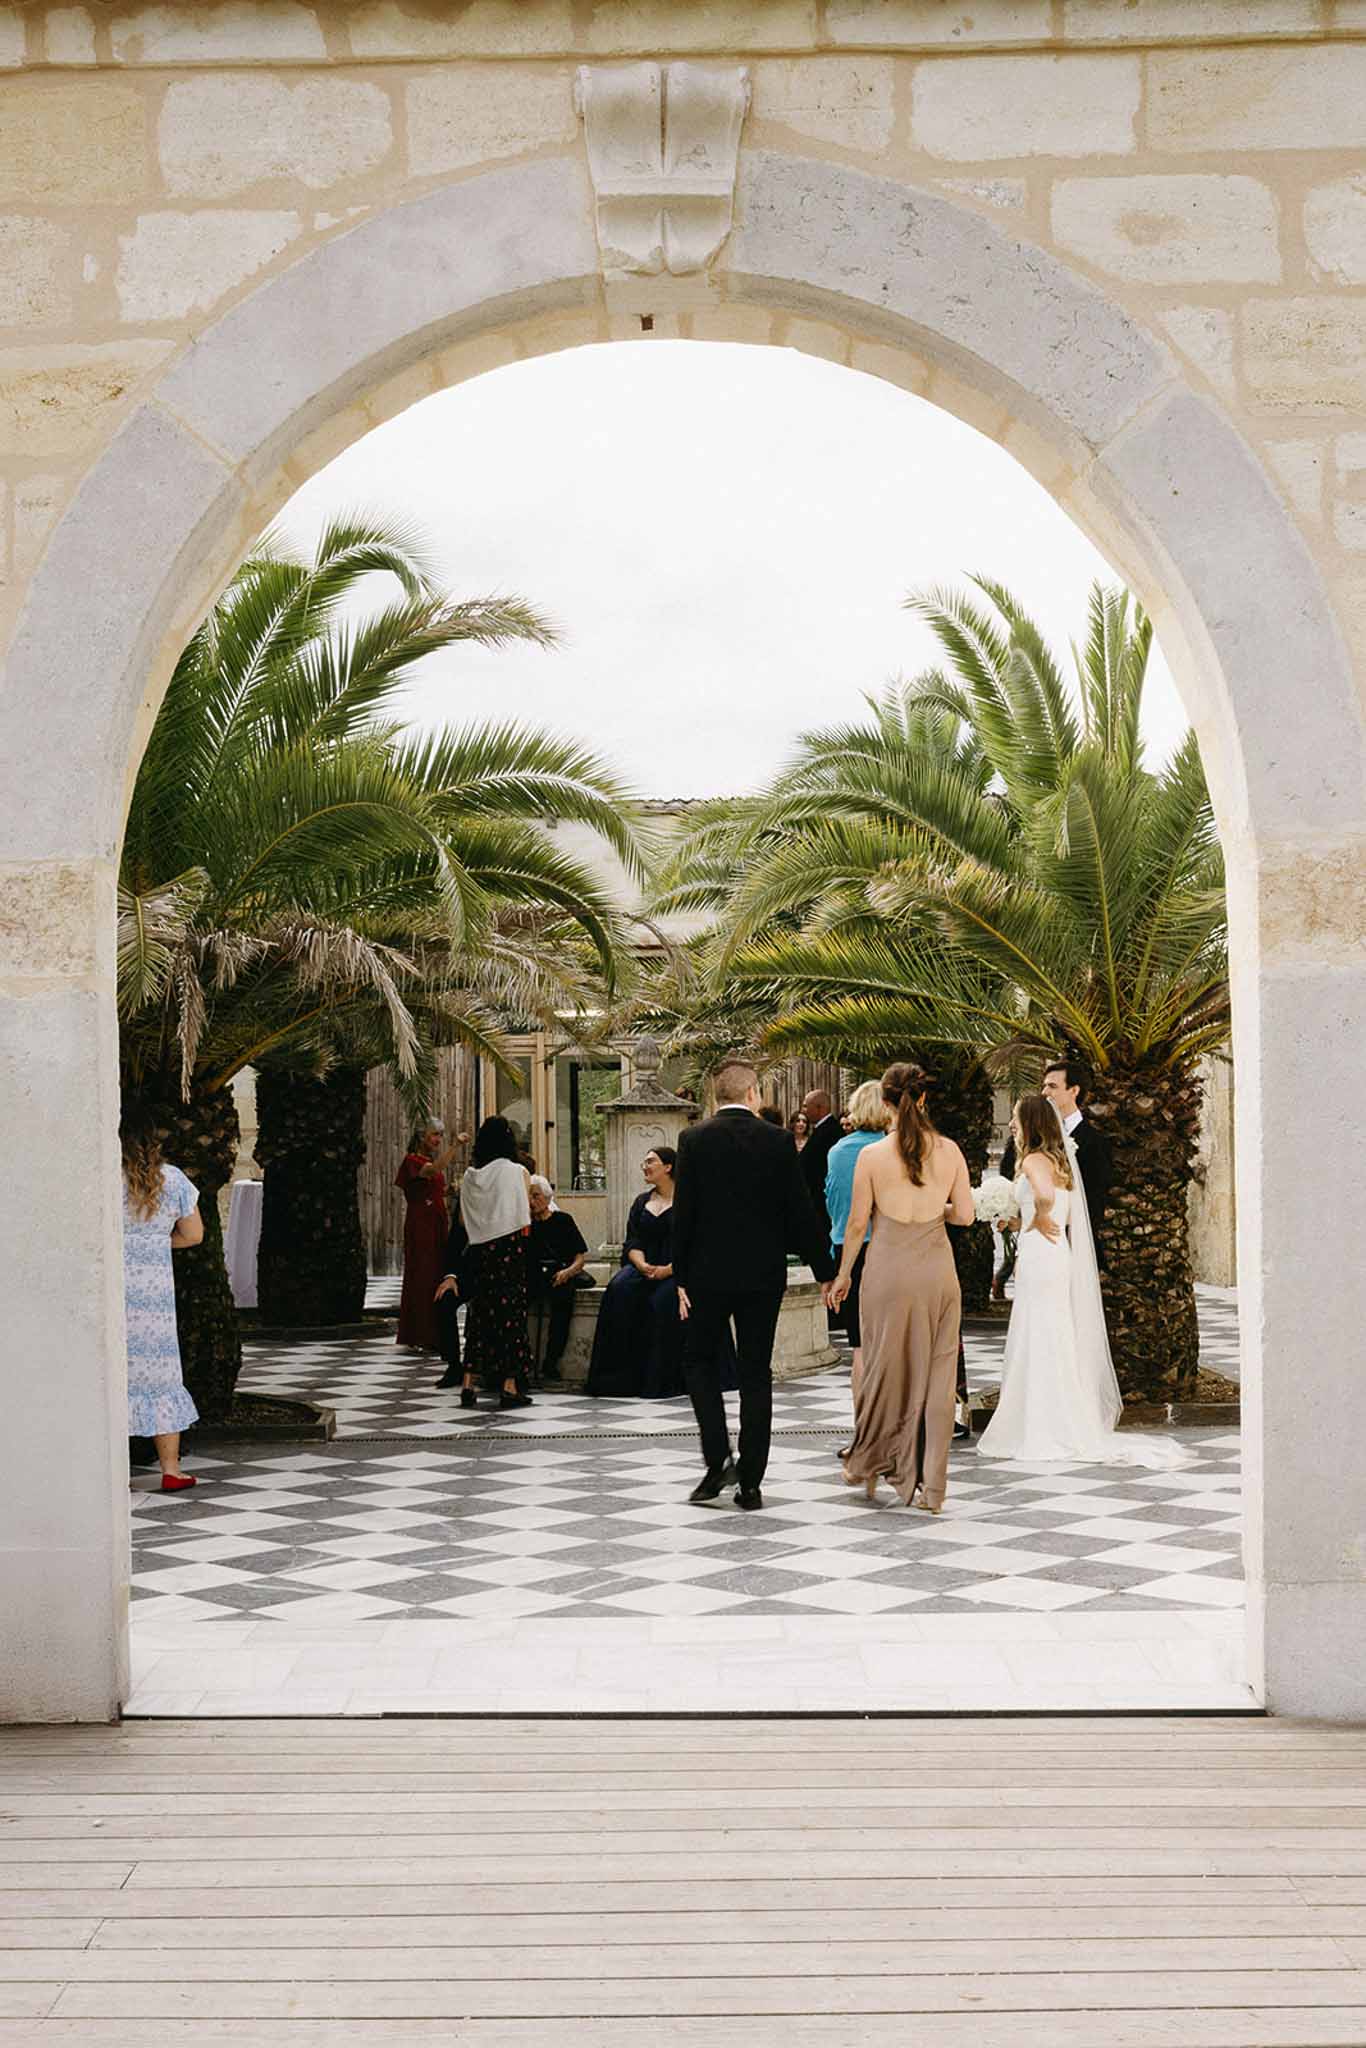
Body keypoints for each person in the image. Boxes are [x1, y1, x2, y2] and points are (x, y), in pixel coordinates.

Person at [977, 1096, 1191, 1470]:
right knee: (1054, 1332)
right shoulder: (1062, 1164)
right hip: (1058, 1254)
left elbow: (1044, 1198)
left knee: (1039, 1333)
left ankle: (1041, 1425)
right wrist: (1020, 1220)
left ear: (1031, 1123)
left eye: (1015, 1119)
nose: (1011, 1125)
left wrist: (1036, 1218)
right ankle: (1062, 1416)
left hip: (1041, 1255)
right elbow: (1064, 1208)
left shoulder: (1031, 1161)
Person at [673, 1060, 836, 1509]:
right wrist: (825, 1271)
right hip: (762, 1276)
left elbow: (684, 1213)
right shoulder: (779, 1141)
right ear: (752, 1094)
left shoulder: (693, 1140)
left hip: (707, 1275)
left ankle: (717, 1456)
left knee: (698, 1362)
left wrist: (680, 1276)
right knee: (754, 1373)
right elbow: (799, 1213)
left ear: (717, 1096)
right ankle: (751, 1482)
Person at [831, 1063, 974, 1512]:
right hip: (936, 1271)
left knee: (882, 1371)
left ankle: (872, 1464)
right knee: (938, 1378)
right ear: (924, 1099)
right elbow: (966, 1216)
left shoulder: (871, 1157)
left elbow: (856, 1225)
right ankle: (932, 1490)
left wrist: (843, 1275)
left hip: (887, 1271)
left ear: (886, 1103)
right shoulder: (950, 1151)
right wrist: (938, 1208)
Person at [121, 1105, 205, 1493]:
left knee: (111, 1367)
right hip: (154, 1292)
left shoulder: (103, 1177)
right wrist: (156, 1242)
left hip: (111, 1284)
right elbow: (194, 1235)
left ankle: (110, 1466)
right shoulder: (172, 1180)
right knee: (159, 1369)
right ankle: (170, 1469)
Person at [436, 1116, 533, 1410]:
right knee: (511, 1320)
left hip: (480, 1252)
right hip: (510, 1252)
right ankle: (509, 1387)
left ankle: (468, 1384)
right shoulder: (518, 1172)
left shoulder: (470, 1177)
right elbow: (523, 1212)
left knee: (479, 1318)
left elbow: (464, 1222)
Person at [588, 1147, 691, 1398]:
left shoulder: (688, 1201)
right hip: (644, 1266)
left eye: (650, 1161)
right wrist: (642, 1265)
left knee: (660, 1302)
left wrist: (668, 1270)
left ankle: (657, 1381)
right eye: (644, 1162)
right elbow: (632, 1242)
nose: (645, 1166)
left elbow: (695, 1245)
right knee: (619, 1289)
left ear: (668, 1167)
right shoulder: (641, 1202)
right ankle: (617, 1379)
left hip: (678, 1269)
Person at [1000, 1057, 1114, 1263]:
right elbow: (1008, 1178)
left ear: (1074, 1091)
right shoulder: (1023, 1137)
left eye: (1052, 1086)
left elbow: (1094, 1201)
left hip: (1073, 1247)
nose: (1044, 1092)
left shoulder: (1095, 1143)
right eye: (1043, 1086)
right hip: (1032, 1244)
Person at [823, 1079, 890, 1398]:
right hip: (886, 1247)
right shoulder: (892, 1149)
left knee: (860, 1345)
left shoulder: (838, 1150)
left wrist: (841, 1272)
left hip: (846, 1247)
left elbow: (833, 1200)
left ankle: (863, 1427)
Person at [395, 1122, 459, 1351]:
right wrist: (455, 1145)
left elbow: (434, 1188)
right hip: (421, 1224)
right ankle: (421, 1334)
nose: (438, 1140)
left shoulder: (425, 1162)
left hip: (436, 1222)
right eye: (435, 1135)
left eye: (441, 1136)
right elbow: (433, 1171)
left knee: (436, 1273)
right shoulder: (413, 1161)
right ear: (422, 1136)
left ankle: (435, 1333)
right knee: (423, 1274)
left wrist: (450, 1191)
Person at [526, 1174, 589, 1383]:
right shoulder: (526, 1226)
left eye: (536, 1196)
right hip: (534, 1276)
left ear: (547, 1197)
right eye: (528, 1196)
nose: (531, 1201)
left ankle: (551, 1362)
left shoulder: (563, 1220)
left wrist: (567, 1272)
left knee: (562, 1306)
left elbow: (580, 1258)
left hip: (561, 1274)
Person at [799, 1087, 844, 1240]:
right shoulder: (822, 1130)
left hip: (823, 1201)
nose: (803, 1110)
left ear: (819, 1108)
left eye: (806, 1106)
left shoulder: (830, 1131)